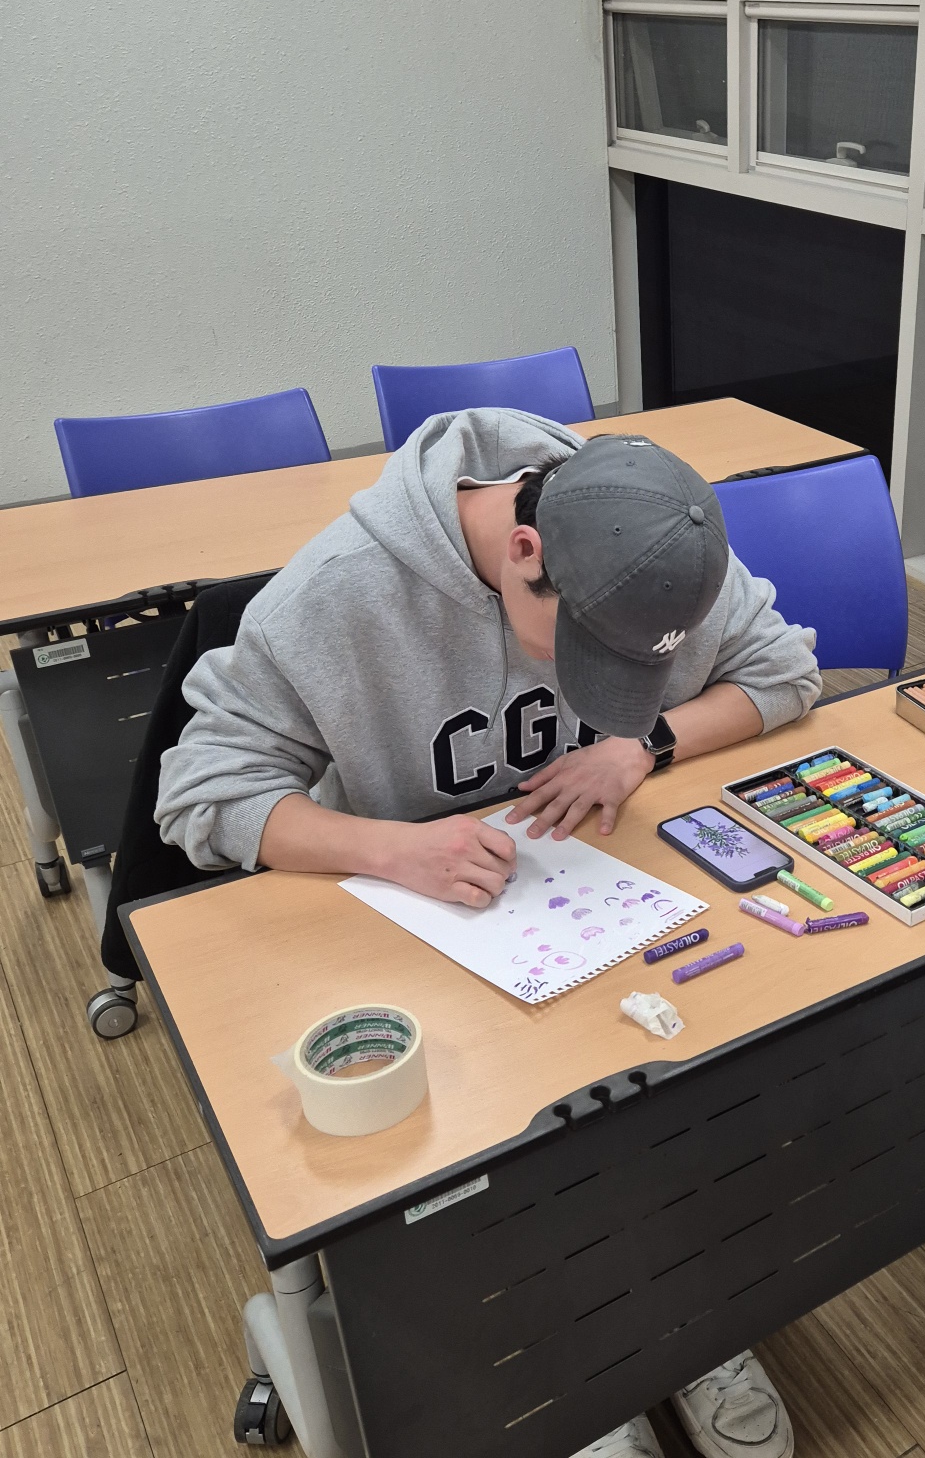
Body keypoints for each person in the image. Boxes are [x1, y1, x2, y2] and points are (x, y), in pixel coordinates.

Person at [156, 406, 812, 1458]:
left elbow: (783, 672)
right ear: (524, 551)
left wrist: (643, 742)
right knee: (495, 1172)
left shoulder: (659, 544)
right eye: (585, 653)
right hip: (424, 932)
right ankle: (568, 1354)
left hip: (604, 909)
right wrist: (391, 849)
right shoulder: (339, 593)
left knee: (692, 1092)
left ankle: (679, 1311)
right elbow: (199, 794)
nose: (598, 683)